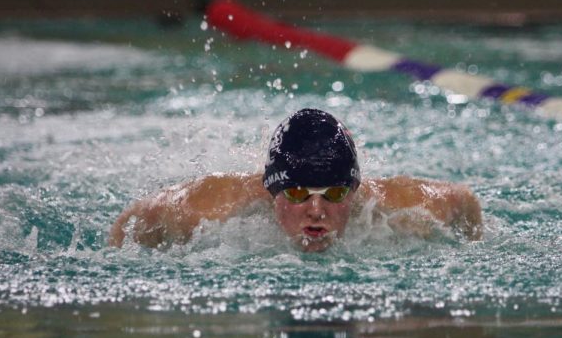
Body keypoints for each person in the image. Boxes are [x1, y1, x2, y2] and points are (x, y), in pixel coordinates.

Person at [109, 108, 483, 252]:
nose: (316, 211)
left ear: (354, 191)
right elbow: (131, 222)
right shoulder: (212, 210)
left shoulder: (404, 208)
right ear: (272, 190)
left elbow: (463, 200)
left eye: (334, 194)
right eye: (298, 193)